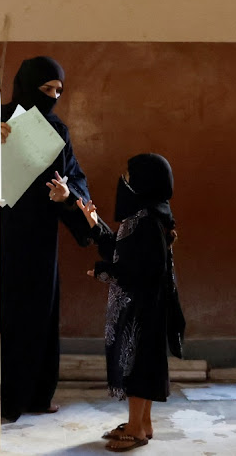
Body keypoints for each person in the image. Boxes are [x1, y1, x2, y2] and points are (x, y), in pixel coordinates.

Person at [0, 56, 92, 422]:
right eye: (46, 89)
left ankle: (37, 393)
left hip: (38, 236)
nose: (53, 97)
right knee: (1, 312)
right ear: (27, 85)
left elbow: (73, 177)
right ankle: (1, 396)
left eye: (58, 91)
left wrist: (67, 197)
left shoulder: (57, 130)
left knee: (38, 311)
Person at [76, 153, 185, 452]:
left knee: (138, 369)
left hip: (142, 310)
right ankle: (143, 423)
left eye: (129, 177)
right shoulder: (145, 216)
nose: (124, 183)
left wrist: (102, 271)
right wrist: (94, 224)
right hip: (143, 307)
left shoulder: (147, 221)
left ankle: (136, 428)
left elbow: (138, 269)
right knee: (142, 365)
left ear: (144, 183)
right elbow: (123, 250)